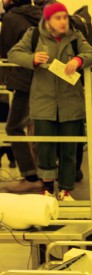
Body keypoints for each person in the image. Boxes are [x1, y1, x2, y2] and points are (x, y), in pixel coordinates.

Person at [7, 2, 92, 200]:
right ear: (48, 21)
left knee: (69, 149)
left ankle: (66, 190)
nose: (63, 22)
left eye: (65, 17)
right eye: (58, 18)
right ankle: (47, 188)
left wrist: (79, 60)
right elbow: (13, 54)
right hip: (43, 103)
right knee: (45, 148)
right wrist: (32, 59)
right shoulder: (34, 35)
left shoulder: (76, 36)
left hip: (70, 103)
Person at [0, 0, 47, 193]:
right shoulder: (40, 14)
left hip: (24, 80)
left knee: (14, 127)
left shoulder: (12, 19)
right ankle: (47, 175)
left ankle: (31, 176)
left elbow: (6, 51)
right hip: (46, 79)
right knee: (41, 128)